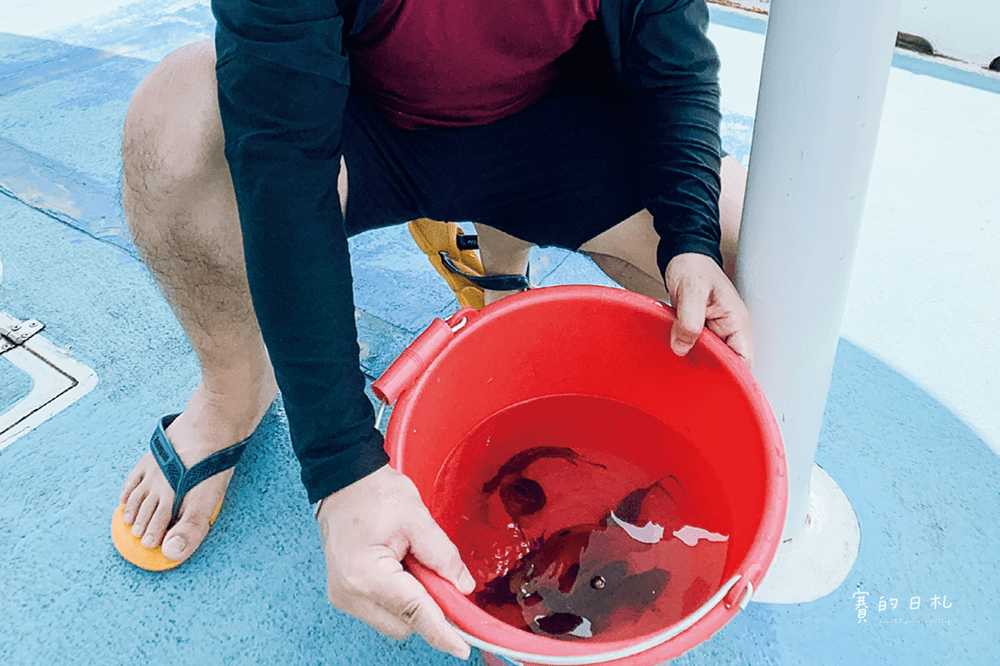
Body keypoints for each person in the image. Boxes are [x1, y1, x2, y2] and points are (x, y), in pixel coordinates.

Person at [113, 0, 753, 659]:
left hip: (549, 128)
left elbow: (671, 59)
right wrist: (341, 472)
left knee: (756, 247)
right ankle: (232, 391)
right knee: (173, 125)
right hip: (361, 121)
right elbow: (281, 156)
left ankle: (496, 264)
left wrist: (691, 243)